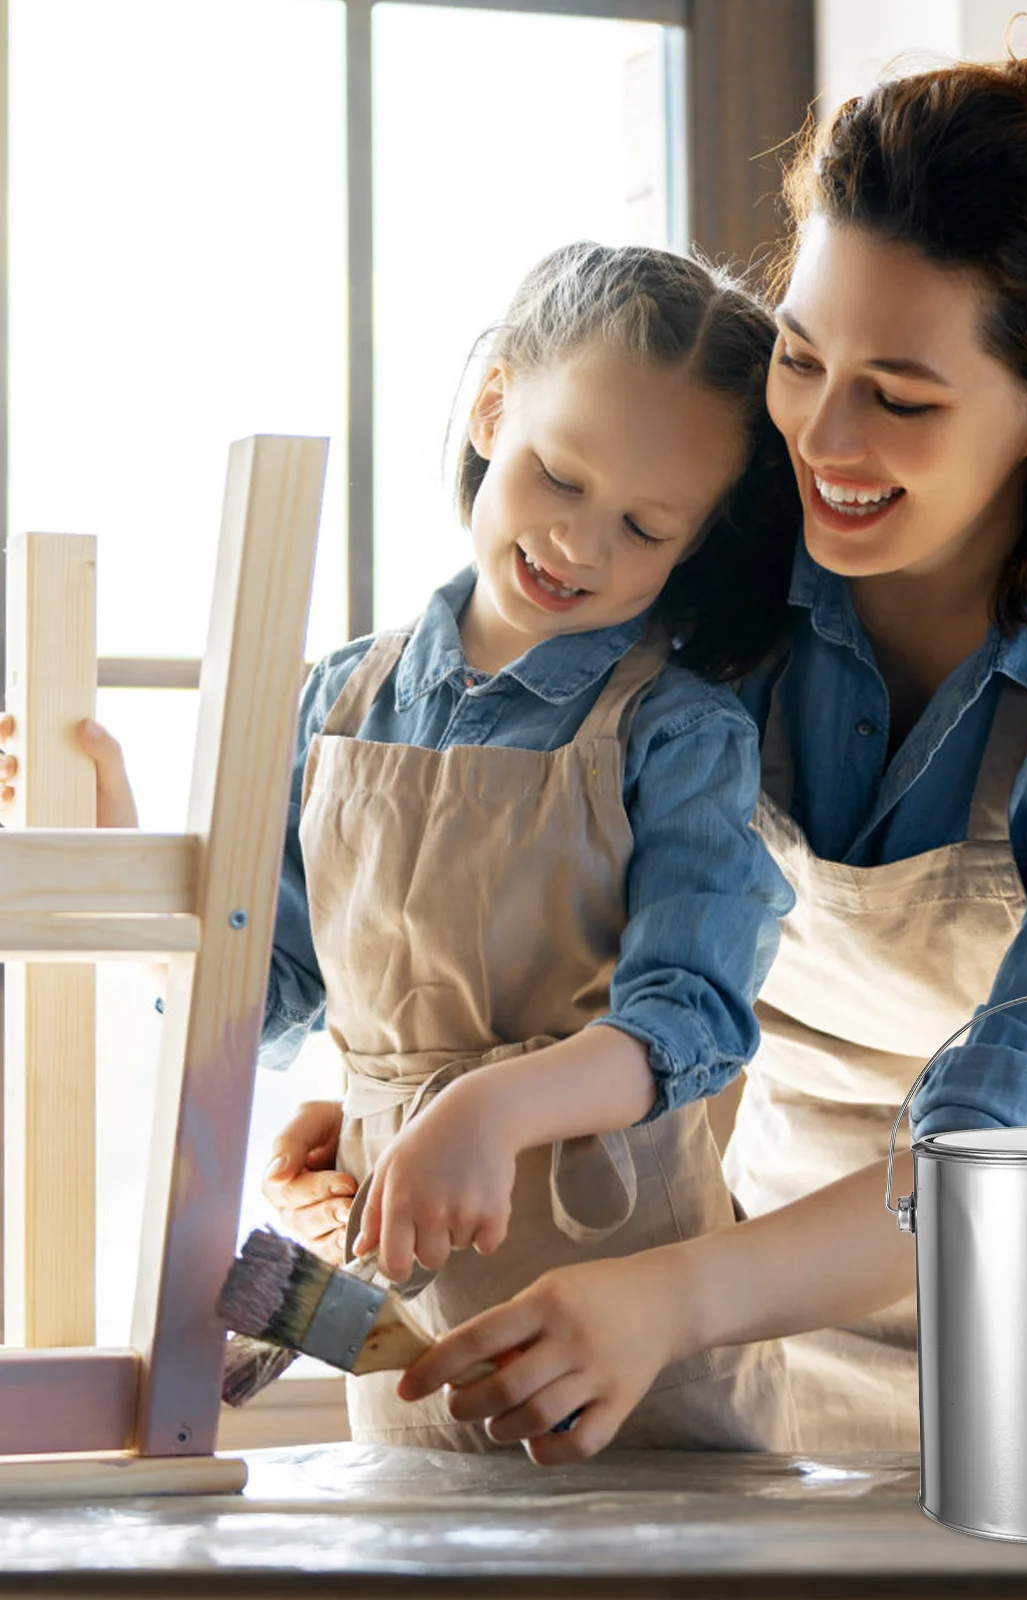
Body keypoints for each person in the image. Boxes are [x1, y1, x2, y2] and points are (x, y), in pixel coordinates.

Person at [395, 39, 1027, 1463]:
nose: (822, 435)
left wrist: (670, 1295)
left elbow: (1013, 1139)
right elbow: (513, 779)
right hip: (787, 1266)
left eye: (900, 396)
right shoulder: (727, 561)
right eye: (799, 355)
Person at [0, 241, 803, 1456]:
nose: (581, 545)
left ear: (694, 546)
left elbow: (689, 1019)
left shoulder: (680, 732)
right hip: (409, 1362)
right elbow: (250, 992)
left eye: (644, 527)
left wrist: (483, 1113)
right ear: (492, 403)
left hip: (644, 1371)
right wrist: (117, 841)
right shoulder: (339, 699)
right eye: (557, 475)